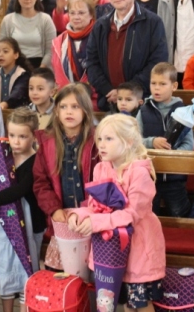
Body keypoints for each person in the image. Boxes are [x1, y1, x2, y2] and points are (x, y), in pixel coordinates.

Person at [67, 115, 166, 312]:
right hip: (111, 249)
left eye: (109, 139)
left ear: (128, 142)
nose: (101, 145)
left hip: (138, 245)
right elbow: (95, 207)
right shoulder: (100, 168)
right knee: (122, 301)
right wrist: (78, 215)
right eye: (100, 139)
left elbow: (132, 214)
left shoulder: (139, 172)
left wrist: (96, 222)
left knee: (139, 303)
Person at [0, 108, 46, 312]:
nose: (16, 141)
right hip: (2, 224)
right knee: (4, 268)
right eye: (12, 135)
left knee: (27, 269)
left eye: (22, 136)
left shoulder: (37, 161)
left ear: (34, 136)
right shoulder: (2, 156)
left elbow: (21, 189)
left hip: (29, 224)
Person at [33, 83, 99, 271]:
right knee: (63, 272)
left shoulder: (97, 140)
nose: (69, 112)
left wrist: (90, 212)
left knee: (91, 272)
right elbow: (40, 183)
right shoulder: (47, 142)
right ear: (56, 111)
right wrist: (54, 209)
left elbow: (104, 181)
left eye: (75, 106)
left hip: (90, 218)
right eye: (63, 107)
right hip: (62, 217)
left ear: (85, 111)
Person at [87, 0, 169, 111]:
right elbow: (92, 63)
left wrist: (126, 92)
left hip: (141, 102)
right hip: (109, 101)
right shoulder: (101, 25)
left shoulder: (152, 22)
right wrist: (108, 90)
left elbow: (157, 62)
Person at [136, 63, 194, 218]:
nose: (157, 88)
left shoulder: (183, 112)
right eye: (153, 83)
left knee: (179, 213)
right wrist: (151, 142)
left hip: (174, 177)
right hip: (148, 175)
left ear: (174, 86)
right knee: (149, 214)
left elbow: (189, 144)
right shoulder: (143, 111)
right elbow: (134, 140)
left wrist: (172, 157)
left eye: (162, 84)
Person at [49, 0, 97, 104]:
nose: (76, 17)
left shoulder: (100, 37)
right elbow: (57, 75)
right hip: (66, 100)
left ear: (91, 15)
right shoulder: (58, 42)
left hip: (92, 101)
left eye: (81, 13)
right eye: (72, 13)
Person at [0, 0, 56, 69]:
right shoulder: (7, 20)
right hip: (14, 67)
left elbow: (51, 51)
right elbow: (2, 49)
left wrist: (40, 71)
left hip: (41, 67)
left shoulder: (45, 19)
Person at [0, 37, 32, 110]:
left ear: (16, 55)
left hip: (18, 113)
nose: (0, 55)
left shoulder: (23, 74)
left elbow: (18, 92)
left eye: (5, 51)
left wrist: (5, 103)